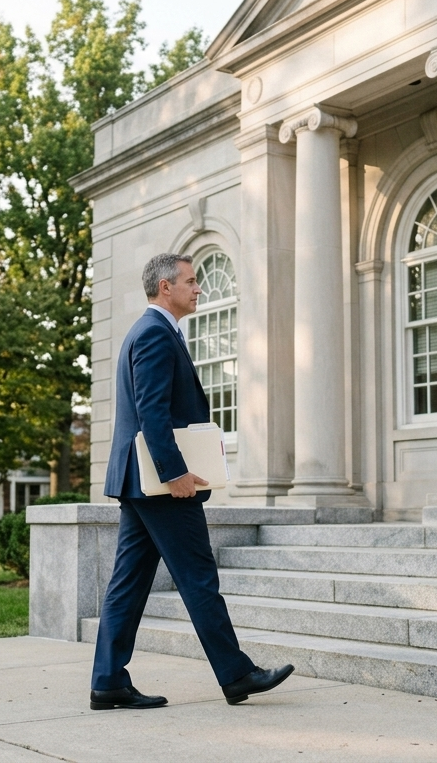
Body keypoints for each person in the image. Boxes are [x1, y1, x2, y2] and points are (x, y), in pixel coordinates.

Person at [89, 252, 294, 711]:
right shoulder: (156, 334)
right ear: (166, 287)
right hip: (160, 485)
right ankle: (237, 674)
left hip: (140, 483)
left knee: (128, 583)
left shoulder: (153, 332)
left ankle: (107, 682)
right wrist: (175, 474)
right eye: (190, 281)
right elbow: (152, 413)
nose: (198, 288)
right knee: (199, 578)